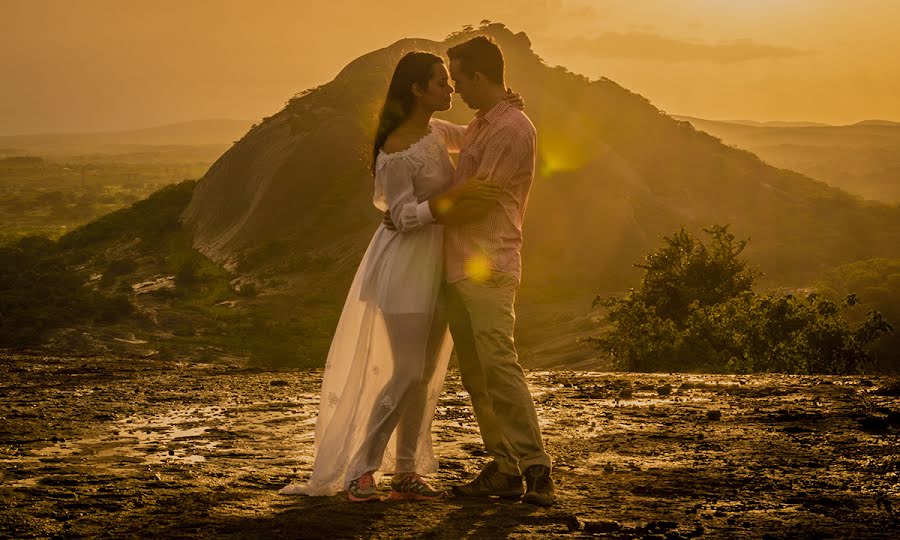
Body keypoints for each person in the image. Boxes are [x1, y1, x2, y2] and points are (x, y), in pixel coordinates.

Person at [278, 51, 519, 502]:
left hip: (435, 262)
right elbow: (403, 216)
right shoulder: (394, 149)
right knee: (407, 371)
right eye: (441, 82)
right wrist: (456, 196)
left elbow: (473, 137)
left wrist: (505, 104)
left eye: (452, 81)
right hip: (405, 264)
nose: (450, 89)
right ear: (416, 89)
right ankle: (361, 469)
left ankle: (405, 470)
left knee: (423, 374)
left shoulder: (432, 131)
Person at [437, 35, 556, 507]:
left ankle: (536, 467)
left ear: (480, 77)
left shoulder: (511, 128)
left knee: (500, 367)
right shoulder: (483, 123)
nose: (457, 87)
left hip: (489, 262)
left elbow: (480, 200)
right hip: (459, 265)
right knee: (476, 374)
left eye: (460, 78)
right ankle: (505, 467)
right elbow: (450, 144)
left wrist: (417, 212)